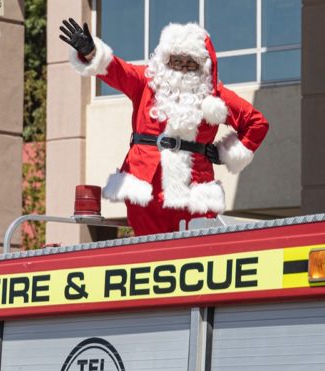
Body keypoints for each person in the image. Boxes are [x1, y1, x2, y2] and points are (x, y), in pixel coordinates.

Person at [59, 18, 269, 236]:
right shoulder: (145, 82)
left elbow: (256, 123)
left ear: (203, 66)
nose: (182, 69)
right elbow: (116, 70)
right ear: (165, 60)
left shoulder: (215, 96)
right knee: (148, 255)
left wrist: (225, 153)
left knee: (196, 252)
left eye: (191, 63)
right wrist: (92, 52)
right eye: (177, 62)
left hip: (194, 190)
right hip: (145, 185)